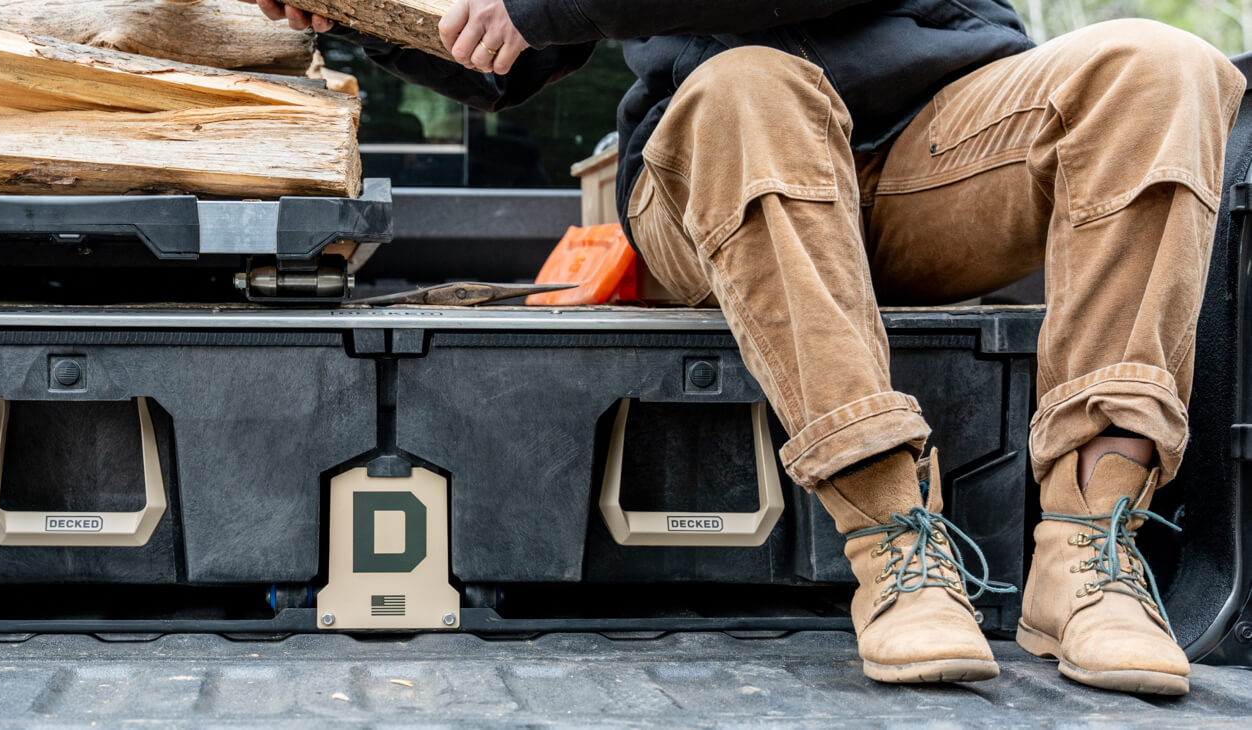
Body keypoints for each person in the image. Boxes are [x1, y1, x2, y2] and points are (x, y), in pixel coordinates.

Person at [250, 0, 1244, 695]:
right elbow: (513, 45)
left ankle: (1088, 555)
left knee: (1165, 68)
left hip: (939, 148)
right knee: (748, 89)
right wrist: (359, 15)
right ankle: (901, 547)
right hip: (717, 167)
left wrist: (541, 4)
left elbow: (542, 8)